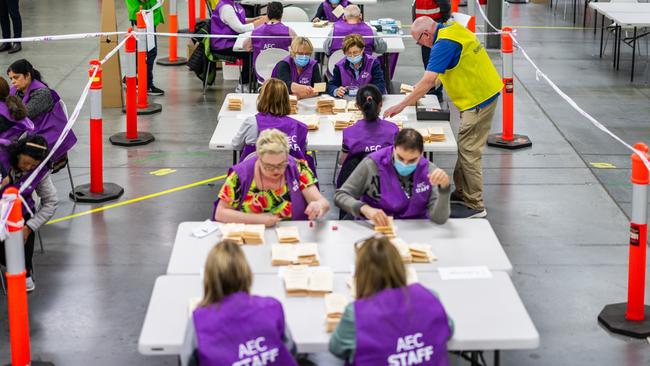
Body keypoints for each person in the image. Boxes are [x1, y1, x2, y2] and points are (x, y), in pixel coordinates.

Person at [383, 16, 502, 219]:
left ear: (427, 34)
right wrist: (420, 91)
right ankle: (463, 192)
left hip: (478, 101)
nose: (421, 44)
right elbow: (439, 74)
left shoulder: (442, 44)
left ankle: (475, 204)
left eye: (419, 41)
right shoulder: (451, 29)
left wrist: (403, 104)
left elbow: (428, 80)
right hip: (482, 93)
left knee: (469, 150)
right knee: (465, 146)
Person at [329, 235, 453, 365]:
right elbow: (448, 328)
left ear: (361, 275)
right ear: (400, 267)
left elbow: (336, 348)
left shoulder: (357, 313)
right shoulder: (429, 297)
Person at [189, 240, 298, 365]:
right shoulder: (272, 307)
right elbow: (291, 350)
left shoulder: (199, 321)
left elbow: (188, 361)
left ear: (209, 278)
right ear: (247, 273)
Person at [214, 128, 330, 226]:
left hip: (293, 236)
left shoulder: (297, 168)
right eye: (268, 166)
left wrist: (318, 205)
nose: (276, 171)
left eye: (281, 165)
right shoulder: (240, 175)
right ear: (258, 157)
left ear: (287, 156)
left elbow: (323, 203)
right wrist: (258, 220)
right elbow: (221, 213)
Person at [334, 128, 450, 225]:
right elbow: (341, 195)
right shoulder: (372, 164)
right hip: (376, 228)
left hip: (415, 229)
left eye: (412, 160)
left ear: (421, 154)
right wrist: (364, 209)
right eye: (400, 158)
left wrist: (444, 190)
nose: (405, 164)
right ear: (393, 148)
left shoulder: (429, 171)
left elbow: (439, 219)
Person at [0, 135, 59, 292]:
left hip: (21, 212)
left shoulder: (41, 172)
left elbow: (51, 202)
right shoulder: (3, 157)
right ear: (18, 154)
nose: (28, 168)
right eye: (25, 163)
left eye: (33, 166)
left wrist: (30, 227)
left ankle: (23, 270)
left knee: (25, 224)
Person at [7, 59, 77, 173]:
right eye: (11, 79)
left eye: (16, 77)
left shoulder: (42, 94)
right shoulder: (18, 90)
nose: (13, 82)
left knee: (15, 155)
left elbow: (22, 116)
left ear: (28, 75)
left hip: (49, 134)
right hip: (33, 132)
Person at [232, 78, 314, 173]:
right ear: (287, 100)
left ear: (261, 98)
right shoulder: (299, 127)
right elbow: (302, 152)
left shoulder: (252, 122)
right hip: (287, 180)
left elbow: (236, 145)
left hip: (253, 178)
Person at [336, 84, 398, 188]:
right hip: (387, 186)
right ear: (381, 104)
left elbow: (342, 161)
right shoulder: (393, 129)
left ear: (357, 106)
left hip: (357, 189)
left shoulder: (349, 132)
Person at [211, 0, 268, 92]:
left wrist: (254, 19)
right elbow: (240, 28)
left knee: (254, 49)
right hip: (223, 44)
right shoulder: (226, 8)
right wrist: (258, 23)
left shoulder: (233, 4)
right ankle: (243, 85)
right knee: (249, 53)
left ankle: (253, 82)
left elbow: (238, 20)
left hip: (232, 40)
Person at [243, 2, 296, 83]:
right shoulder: (288, 31)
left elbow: (246, 47)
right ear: (281, 14)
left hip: (262, 73)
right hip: (283, 74)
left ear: (267, 14)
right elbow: (297, 46)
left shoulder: (256, 32)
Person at [412, 0, 451, 102]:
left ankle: (436, 93)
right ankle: (431, 89)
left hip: (433, 29)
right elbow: (415, 6)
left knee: (436, 64)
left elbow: (445, 5)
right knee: (428, 62)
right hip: (424, 30)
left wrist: (441, 20)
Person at [125, 0, 165, 95]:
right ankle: (147, 85)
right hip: (144, 16)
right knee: (149, 51)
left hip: (144, 14)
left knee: (142, 50)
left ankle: (131, 77)